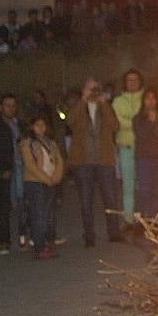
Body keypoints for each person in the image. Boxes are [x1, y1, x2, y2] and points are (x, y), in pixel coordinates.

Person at [67, 78, 122, 247]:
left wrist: (104, 103)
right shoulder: (78, 107)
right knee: (85, 201)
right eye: (90, 89)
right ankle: (89, 235)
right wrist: (83, 100)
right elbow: (69, 121)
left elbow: (114, 126)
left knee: (110, 199)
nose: (93, 92)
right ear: (84, 90)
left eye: (95, 88)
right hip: (83, 161)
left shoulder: (104, 107)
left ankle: (114, 233)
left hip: (104, 160)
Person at [20, 115, 64, 260]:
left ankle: (47, 240)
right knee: (38, 214)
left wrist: (56, 177)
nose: (41, 127)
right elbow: (30, 165)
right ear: (31, 126)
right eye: (37, 124)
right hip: (35, 182)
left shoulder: (50, 142)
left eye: (43, 124)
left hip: (50, 181)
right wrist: (45, 179)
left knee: (47, 213)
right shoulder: (28, 143)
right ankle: (39, 246)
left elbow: (59, 160)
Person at [0, 95, 24, 254]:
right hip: (6, 169)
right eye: (7, 105)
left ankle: (24, 236)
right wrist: (1, 169)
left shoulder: (20, 125)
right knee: (4, 205)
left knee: (24, 202)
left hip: (22, 167)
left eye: (13, 105)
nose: (11, 108)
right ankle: (4, 241)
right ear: (1, 107)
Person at [113, 69, 144, 233]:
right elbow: (119, 122)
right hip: (126, 148)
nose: (132, 83)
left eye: (135, 80)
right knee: (128, 186)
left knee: (144, 186)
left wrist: (129, 120)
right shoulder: (118, 101)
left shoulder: (145, 99)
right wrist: (135, 122)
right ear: (125, 82)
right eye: (129, 80)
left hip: (144, 149)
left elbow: (145, 121)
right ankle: (128, 219)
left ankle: (143, 219)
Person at [133, 88, 158, 222]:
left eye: (153, 98)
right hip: (144, 159)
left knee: (156, 191)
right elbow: (141, 136)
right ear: (143, 101)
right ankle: (140, 220)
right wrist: (150, 122)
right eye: (148, 98)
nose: (151, 101)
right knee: (144, 191)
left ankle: (154, 221)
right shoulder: (137, 118)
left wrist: (156, 122)